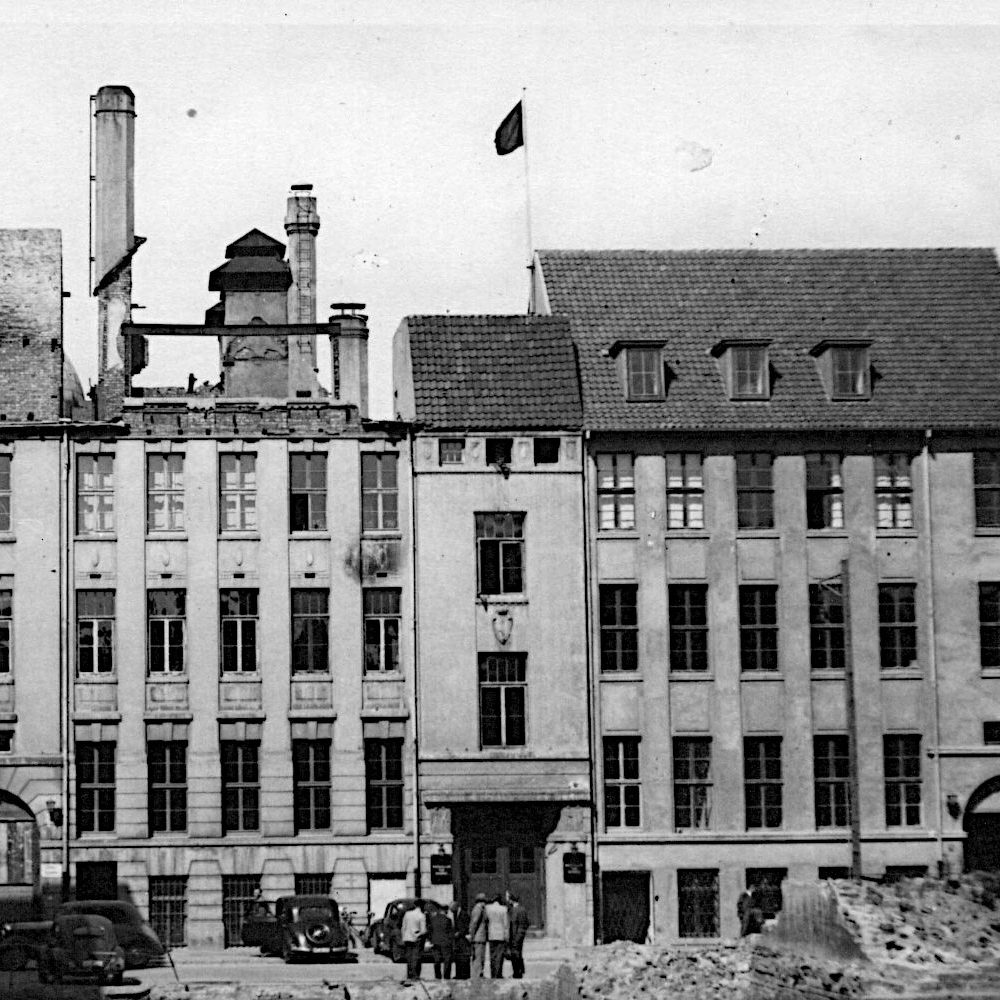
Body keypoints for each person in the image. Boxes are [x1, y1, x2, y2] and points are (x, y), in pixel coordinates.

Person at [400, 900, 426, 982]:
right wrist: (419, 934)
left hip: (407, 937)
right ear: (422, 906)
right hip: (417, 939)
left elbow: (403, 927)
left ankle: (409, 975)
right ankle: (415, 976)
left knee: (409, 957)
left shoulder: (407, 914)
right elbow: (423, 930)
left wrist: (404, 936)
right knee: (416, 957)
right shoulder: (421, 916)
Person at [484, 892, 509, 979]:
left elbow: (486, 920)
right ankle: (498, 973)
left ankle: (493, 973)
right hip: (500, 934)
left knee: (492, 955)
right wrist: (506, 936)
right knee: (499, 955)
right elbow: (505, 924)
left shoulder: (488, 908)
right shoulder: (503, 909)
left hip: (491, 933)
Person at [506, 890, 530, 979]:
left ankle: (518, 972)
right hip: (515, 936)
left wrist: (518, 936)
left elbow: (523, 924)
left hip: (516, 936)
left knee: (516, 954)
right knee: (516, 954)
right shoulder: (514, 909)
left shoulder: (519, 910)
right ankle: (517, 971)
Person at [427, 904, 454, 979]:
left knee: (437, 960)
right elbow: (450, 932)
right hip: (445, 942)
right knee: (447, 960)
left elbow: (429, 930)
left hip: (435, 941)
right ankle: (446, 976)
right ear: (446, 911)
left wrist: (431, 939)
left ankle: (437, 976)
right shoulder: (448, 920)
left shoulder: (433, 919)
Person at [468, 892, 488, 978]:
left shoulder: (480, 909)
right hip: (478, 937)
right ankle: (477, 975)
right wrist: (472, 935)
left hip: (479, 937)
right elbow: (474, 923)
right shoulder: (478, 909)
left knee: (480, 957)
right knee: (478, 958)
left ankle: (479, 973)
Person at [450, 901, 471, 980]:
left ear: (456, 907)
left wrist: (460, 933)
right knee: (458, 956)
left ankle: (465, 974)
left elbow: (466, 926)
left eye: (452, 910)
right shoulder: (455, 914)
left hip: (463, 938)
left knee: (464, 957)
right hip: (457, 939)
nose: (452, 912)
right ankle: (458, 974)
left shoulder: (464, 914)